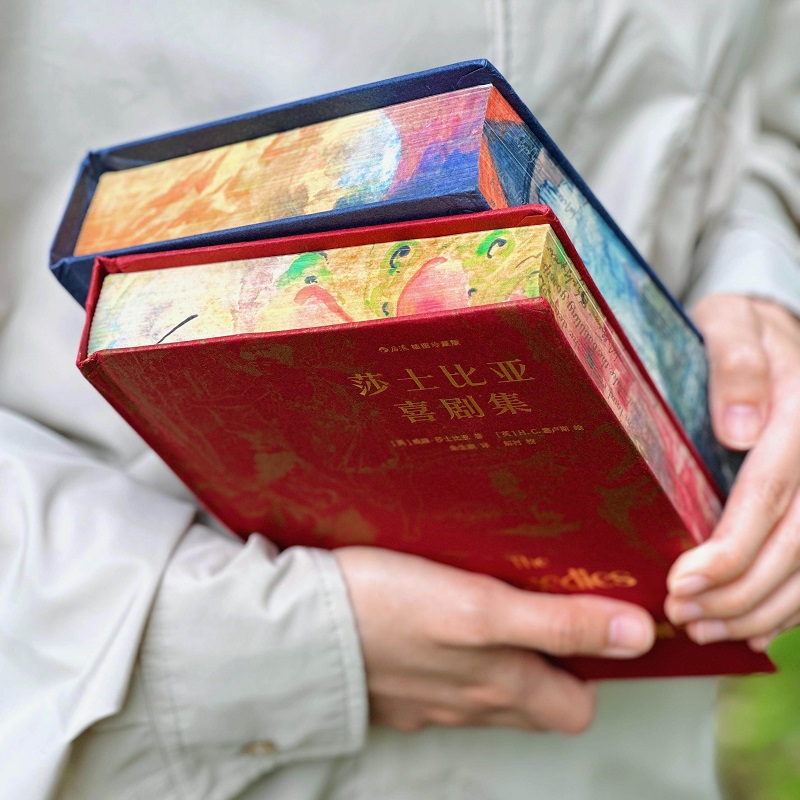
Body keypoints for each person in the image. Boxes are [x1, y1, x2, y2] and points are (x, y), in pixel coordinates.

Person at [1, 1, 798, 798]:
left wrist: (766, 294)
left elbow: (767, 113)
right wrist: (259, 639)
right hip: (142, 721)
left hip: (633, 737)